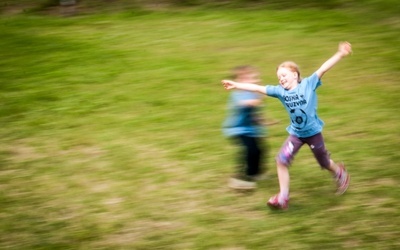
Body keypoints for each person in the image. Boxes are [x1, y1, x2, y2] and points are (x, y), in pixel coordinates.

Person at [221, 42, 352, 209]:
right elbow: (258, 88)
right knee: (281, 160)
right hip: (296, 135)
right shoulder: (280, 92)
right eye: (279, 77)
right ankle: (283, 197)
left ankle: (340, 173)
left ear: (295, 75)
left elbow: (323, 68)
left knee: (324, 162)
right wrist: (237, 85)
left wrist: (340, 54)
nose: (281, 79)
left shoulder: (309, 84)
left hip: (313, 134)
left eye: (284, 75)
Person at [222, 65, 267, 190]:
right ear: (238, 81)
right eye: (249, 77)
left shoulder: (252, 94)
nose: (254, 79)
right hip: (237, 129)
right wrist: (259, 98)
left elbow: (253, 114)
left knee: (260, 150)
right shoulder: (238, 94)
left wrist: (262, 120)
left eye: (254, 76)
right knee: (250, 150)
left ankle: (255, 173)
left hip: (251, 130)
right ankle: (239, 178)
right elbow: (244, 104)